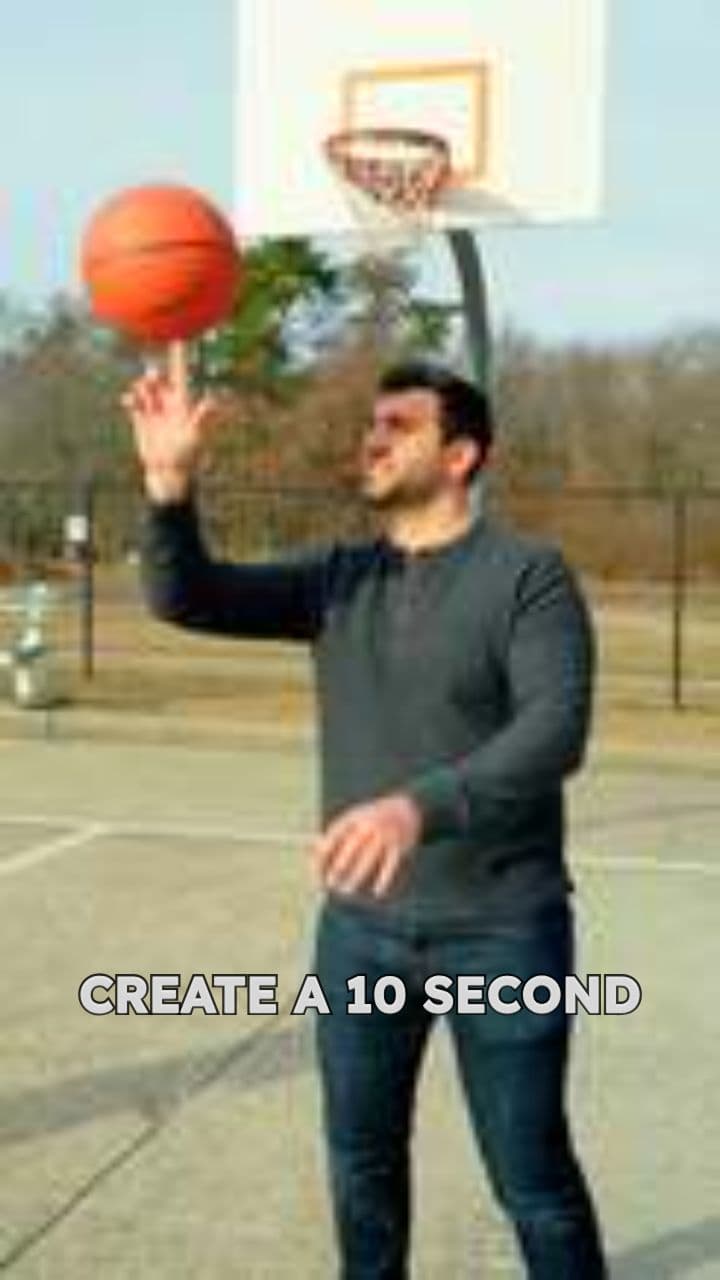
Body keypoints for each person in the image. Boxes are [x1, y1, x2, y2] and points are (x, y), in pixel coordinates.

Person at [123, 343, 607, 1279]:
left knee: (531, 1178)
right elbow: (187, 596)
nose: (371, 439)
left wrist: (417, 807)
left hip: (502, 932)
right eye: (370, 424)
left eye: (399, 425)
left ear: (461, 454)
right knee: (361, 1166)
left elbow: (557, 730)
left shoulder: (527, 576)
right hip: (361, 935)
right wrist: (169, 489)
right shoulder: (339, 577)